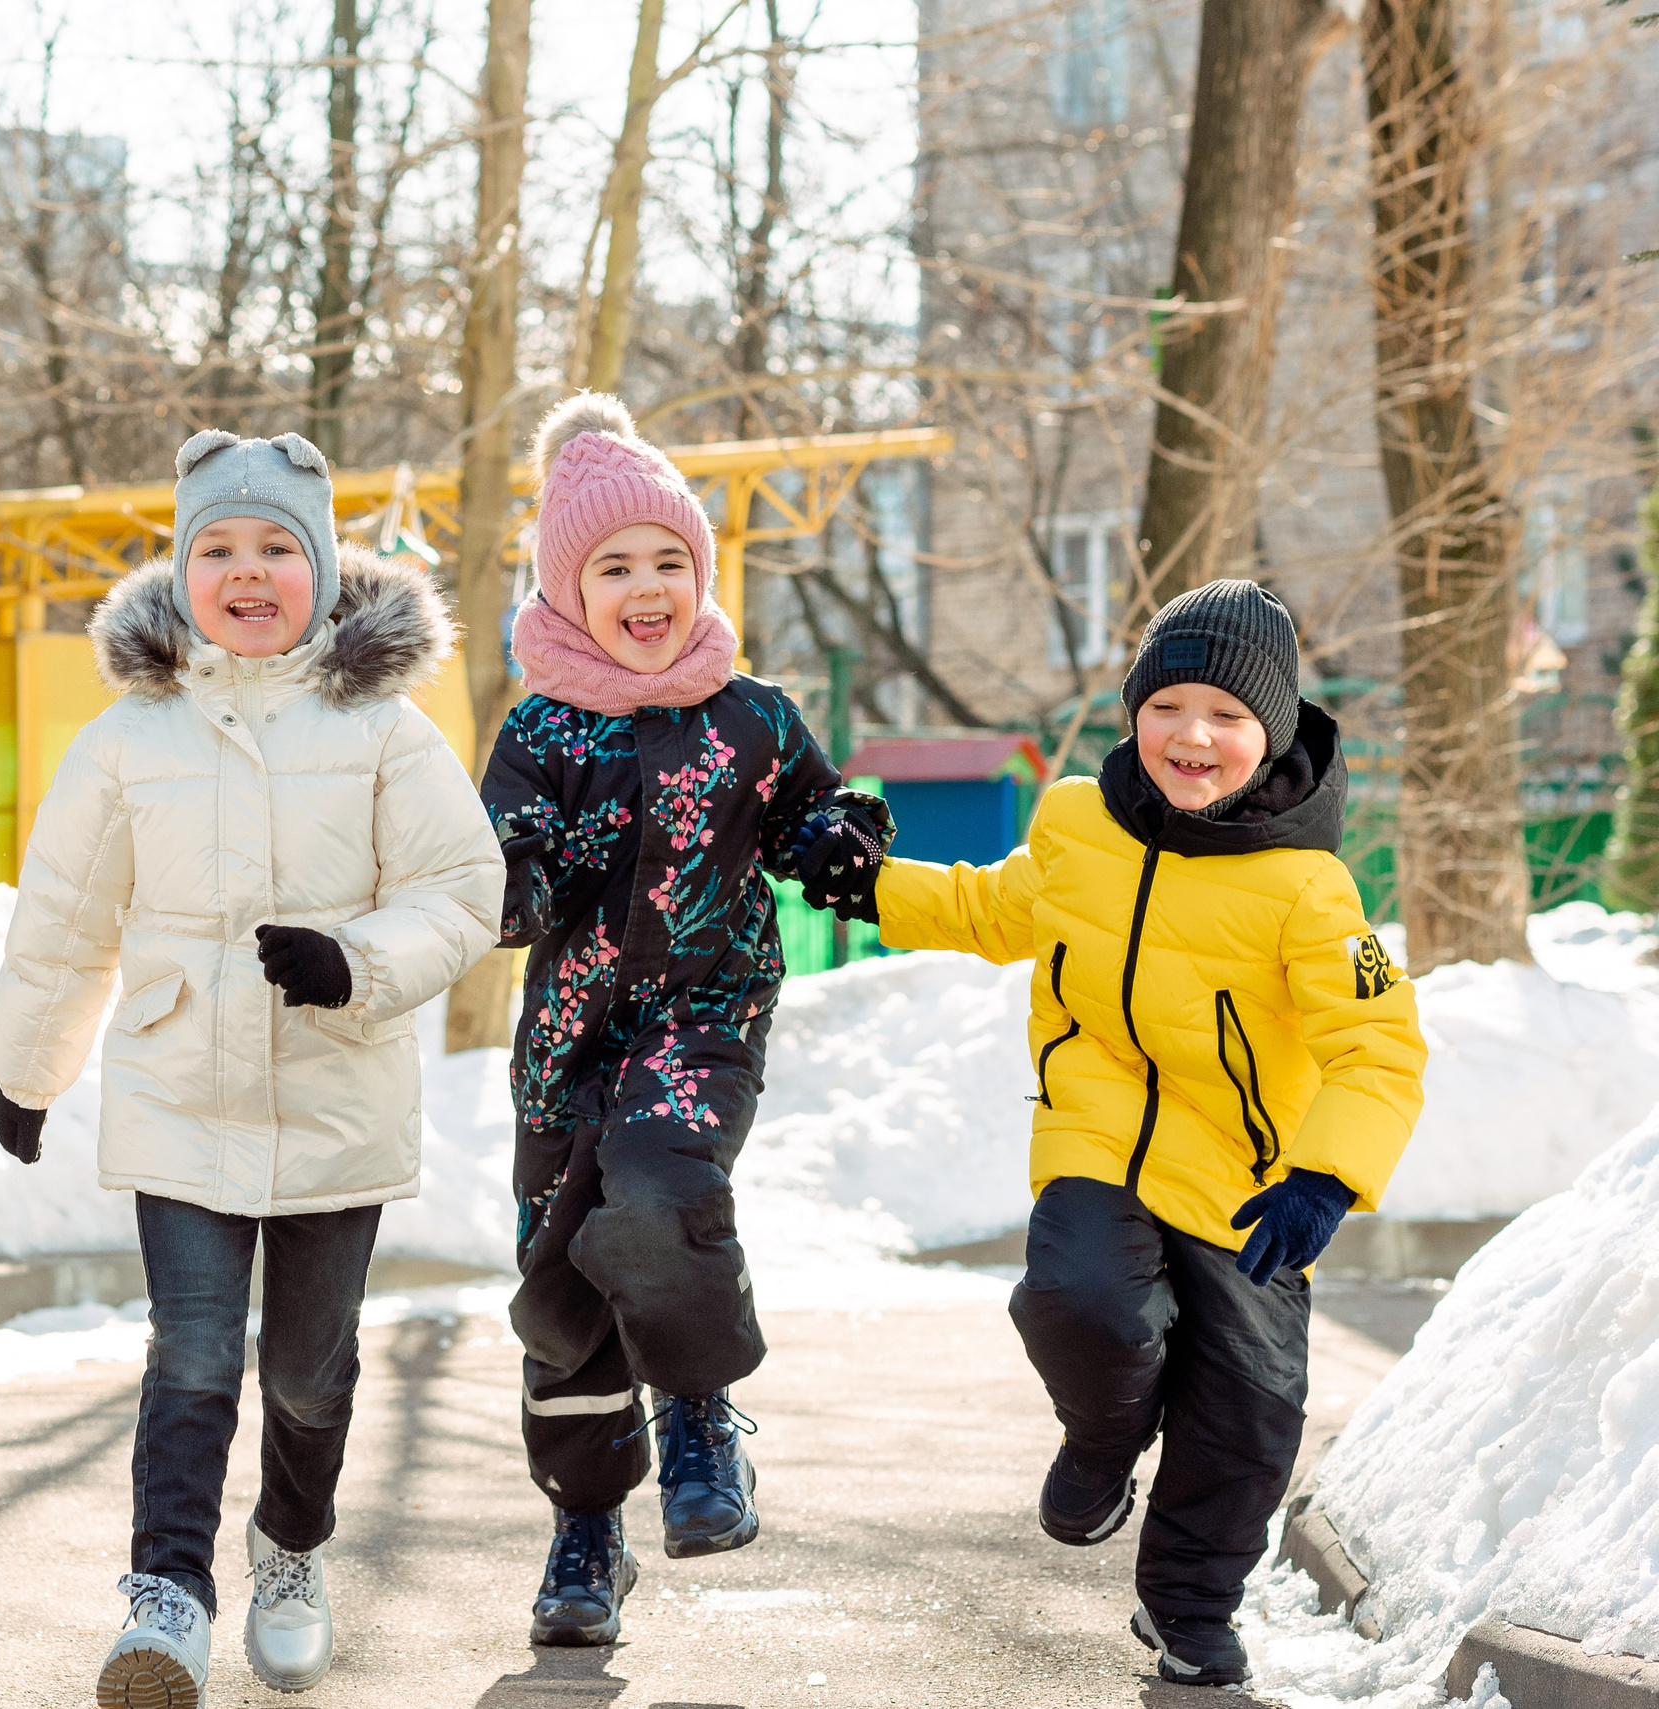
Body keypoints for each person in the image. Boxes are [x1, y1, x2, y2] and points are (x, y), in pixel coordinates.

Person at [821, 579, 1427, 1687]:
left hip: (1247, 1179)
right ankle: (1102, 1437)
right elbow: (995, 908)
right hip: (1097, 1133)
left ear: (1271, 732)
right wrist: (871, 887)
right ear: (1133, 710)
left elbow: (1379, 1043)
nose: (1193, 735)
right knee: (1078, 1299)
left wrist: (1325, 1175)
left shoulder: (1309, 889)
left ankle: (1187, 1605)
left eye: (1228, 716)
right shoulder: (1074, 822)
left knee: (1247, 1414)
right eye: (1169, 705)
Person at [0, 429, 502, 1704]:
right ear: (180, 568)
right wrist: (27, 1067)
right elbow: (63, 916)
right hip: (181, 1088)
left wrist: (353, 960)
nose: (249, 570)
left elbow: (460, 887)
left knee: (309, 1370)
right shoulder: (127, 737)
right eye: (218, 547)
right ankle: (164, 1595)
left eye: (279, 547)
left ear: (324, 572)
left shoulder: (383, 728)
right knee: (195, 1350)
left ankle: (290, 1545)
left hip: (336, 1091)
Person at [480, 393, 894, 1647]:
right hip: (565, 1049)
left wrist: (840, 838)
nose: (647, 585)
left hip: (702, 1020)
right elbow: (508, 877)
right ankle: (587, 1530)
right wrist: (510, 878)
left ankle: (703, 1414)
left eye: (670, 560)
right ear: (569, 590)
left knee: (658, 1187)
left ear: (700, 573)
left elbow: (813, 816)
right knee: (559, 1301)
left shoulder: (751, 713)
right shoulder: (541, 729)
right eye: (614, 566)